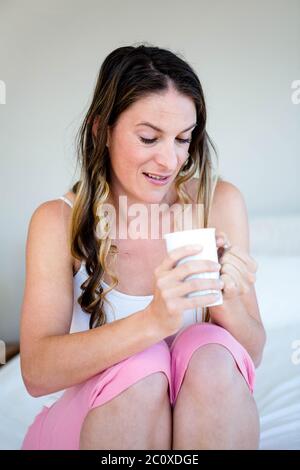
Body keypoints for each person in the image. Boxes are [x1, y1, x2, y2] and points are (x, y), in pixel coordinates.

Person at [20, 44, 266, 450]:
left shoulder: (219, 203)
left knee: (212, 351)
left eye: (183, 139)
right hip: (87, 424)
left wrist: (224, 298)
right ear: (102, 129)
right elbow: (36, 372)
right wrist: (154, 320)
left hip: (198, 420)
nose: (170, 161)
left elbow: (252, 353)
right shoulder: (57, 221)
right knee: (142, 364)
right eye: (149, 137)